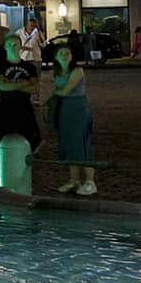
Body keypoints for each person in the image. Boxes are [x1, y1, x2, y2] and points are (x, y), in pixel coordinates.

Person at [47, 40, 95, 195]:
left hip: (78, 108)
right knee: (69, 144)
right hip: (64, 109)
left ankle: (90, 182)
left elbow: (65, 91)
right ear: (56, 57)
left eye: (67, 53)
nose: (65, 55)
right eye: (61, 53)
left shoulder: (78, 71)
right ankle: (74, 180)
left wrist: (53, 95)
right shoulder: (57, 72)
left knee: (82, 144)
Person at [0, 33, 41, 156]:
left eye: (16, 44)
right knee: (1, 141)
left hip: (24, 107)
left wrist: (11, 84)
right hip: (3, 107)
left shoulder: (29, 66)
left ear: (21, 46)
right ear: (5, 47)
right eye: (9, 45)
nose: (13, 47)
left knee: (30, 138)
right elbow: (3, 86)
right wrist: (25, 82)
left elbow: (35, 88)